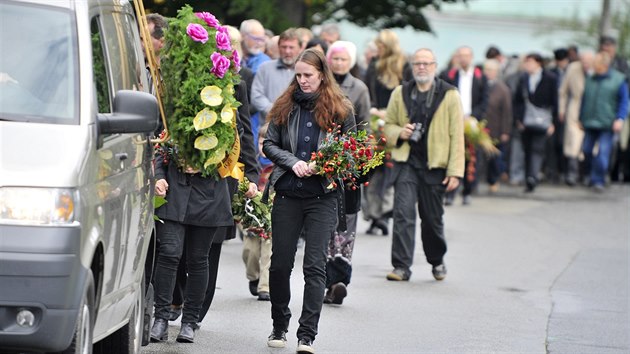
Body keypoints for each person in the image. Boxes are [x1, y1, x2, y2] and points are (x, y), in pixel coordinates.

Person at [263, 48, 355, 354]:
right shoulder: (284, 106)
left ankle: (307, 334)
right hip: (288, 193)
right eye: (298, 75)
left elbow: (351, 153)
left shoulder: (340, 109)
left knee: (315, 267)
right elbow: (269, 144)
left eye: (308, 76)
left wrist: (326, 164)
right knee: (280, 265)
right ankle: (279, 325)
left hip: (323, 196)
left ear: (322, 75)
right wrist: (292, 162)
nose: (302, 81)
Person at [383, 48, 464, 282]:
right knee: (403, 214)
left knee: (432, 218)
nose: (422, 67)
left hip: (435, 164)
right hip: (406, 161)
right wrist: (400, 132)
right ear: (412, 66)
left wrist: (455, 171)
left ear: (434, 66)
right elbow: (388, 125)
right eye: (418, 63)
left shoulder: (449, 95)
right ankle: (401, 266)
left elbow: (457, 136)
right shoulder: (400, 93)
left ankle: (437, 260)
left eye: (427, 64)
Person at [323, 40, 371, 305]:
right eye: (335, 58)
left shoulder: (359, 89)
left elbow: (365, 129)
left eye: (343, 59)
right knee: (323, 227)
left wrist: (360, 163)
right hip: (322, 165)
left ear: (351, 62)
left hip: (348, 167)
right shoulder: (320, 84)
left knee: (345, 228)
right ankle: (323, 281)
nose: (339, 63)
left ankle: (339, 280)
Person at [363, 29, 413, 235]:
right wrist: (373, 110)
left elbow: (409, 95)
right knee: (373, 170)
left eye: (382, 46)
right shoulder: (374, 66)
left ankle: (385, 213)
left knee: (391, 170)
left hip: (396, 125)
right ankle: (375, 214)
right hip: (375, 122)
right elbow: (368, 92)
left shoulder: (405, 67)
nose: (378, 50)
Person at [440, 46, 488, 205]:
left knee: (470, 157)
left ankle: (468, 189)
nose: (463, 59)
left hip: (471, 120)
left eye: (466, 56)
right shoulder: (450, 75)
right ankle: (450, 192)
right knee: (452, 155)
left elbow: (485, 100)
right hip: (454, 120)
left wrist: (473, 117)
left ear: (472, 57)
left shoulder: (480, 77)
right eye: (460, 56)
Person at [580, 51, 629, 192]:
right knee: (586, 150)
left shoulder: (618, 79)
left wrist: (620, 118)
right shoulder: (590, 79)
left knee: (603, 152)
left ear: (604, 65)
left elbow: (623, 102)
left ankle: (598, 179)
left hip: (607, 122)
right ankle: (590, 174)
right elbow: (585, 100)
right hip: (590, 121)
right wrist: (580, 118)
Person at [513, 53, 558, 193]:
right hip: (526, 120)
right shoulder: (524, 78)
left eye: (530, 62)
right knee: (527, 150)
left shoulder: (550, 78)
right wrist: (518, 119)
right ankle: (529, 178)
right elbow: (517, 100)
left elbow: (555, 101)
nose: (527, 65)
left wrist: (553, 122)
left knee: (537, 150)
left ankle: (533, 176)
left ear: (538, 63)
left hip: (543, 121)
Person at [242, 123, 274, 301]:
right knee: (250, 252)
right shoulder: (252, 164)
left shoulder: (279, 166)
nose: (264, 147)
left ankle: (265, 287)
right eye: (262, 143)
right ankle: (253, 277)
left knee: (268, 252)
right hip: (252, 216)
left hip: (272, 216)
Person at [558, 51, 594, 186]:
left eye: (588, 62)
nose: (585, 64)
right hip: (575, 108)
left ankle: (587, 174)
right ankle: (572, 174)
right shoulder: (573, 69)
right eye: (583, 61)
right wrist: (562, 109)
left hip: (591, 110)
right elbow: (563, 91)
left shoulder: (596, 70)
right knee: (573, 143)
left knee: (590, 145)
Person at [251, 28, 302, 121]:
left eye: (291, 47)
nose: (287, 51)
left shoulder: (305, 71)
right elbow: (256, 96)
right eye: (284, 47)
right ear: (278, 47)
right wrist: (276, 111)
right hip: (268, 127)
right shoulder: (265, 68)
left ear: (300, 48)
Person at [482, 58, 512, 193]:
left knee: (494, 157)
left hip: (496, 128)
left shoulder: (502, 89)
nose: (488, 73)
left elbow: (507, 112)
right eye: (486, 69)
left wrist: (505, 131)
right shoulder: (480, 85)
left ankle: (493, 179)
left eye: (491, 70)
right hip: (480, 127)